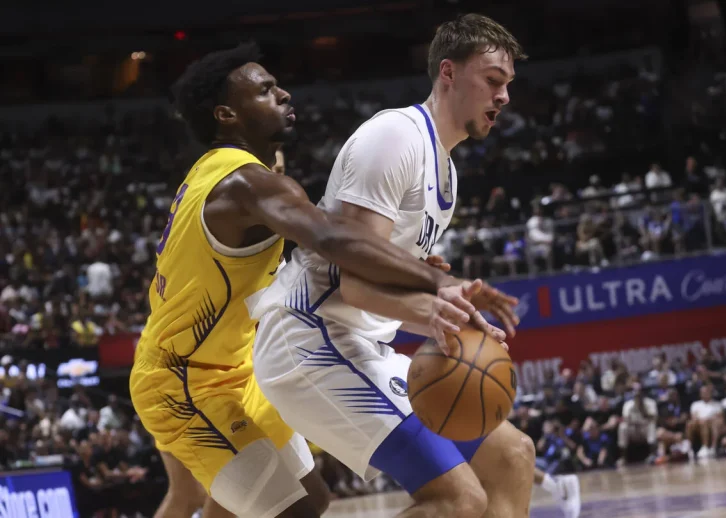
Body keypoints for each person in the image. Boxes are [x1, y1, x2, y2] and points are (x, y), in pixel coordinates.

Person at [129, 43, 503, 518]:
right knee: (291, 511)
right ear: (226, 114)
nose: (283, 94)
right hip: (181, 379)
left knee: (311, 499)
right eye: (265, 90)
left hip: (236, 368)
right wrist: (436, 283)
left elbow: (327, 251)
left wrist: (404, 260)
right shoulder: (245, 184)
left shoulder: (227, 176)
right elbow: (332, 240)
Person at [249, 14, 580, 518]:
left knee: (513, 456)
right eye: (493, 80)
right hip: (309, 337)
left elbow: (382, 289)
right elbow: (355, 286)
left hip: (357, 341)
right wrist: (434, 309)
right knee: (458, 499)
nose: (504, 96)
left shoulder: (444, 172)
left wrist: (448, 312)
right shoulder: (395, 137)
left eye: (508, 83)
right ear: (448, 72)